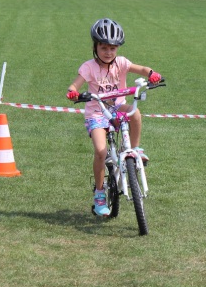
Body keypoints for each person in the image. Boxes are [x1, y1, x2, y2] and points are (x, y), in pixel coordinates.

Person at [67, 18, 162, 217]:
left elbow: (142, 69)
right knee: (101, 152)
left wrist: (152, 74)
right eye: (103, 47)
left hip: (117, 106)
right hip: (97, 113)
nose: (108, 52)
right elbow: (75, 85)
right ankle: (100, 194)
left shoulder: (121, 63)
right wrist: (73, 92)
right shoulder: (89, 67)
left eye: (113, 48)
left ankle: (135, 149)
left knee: (135, 112)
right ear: (95, 47)